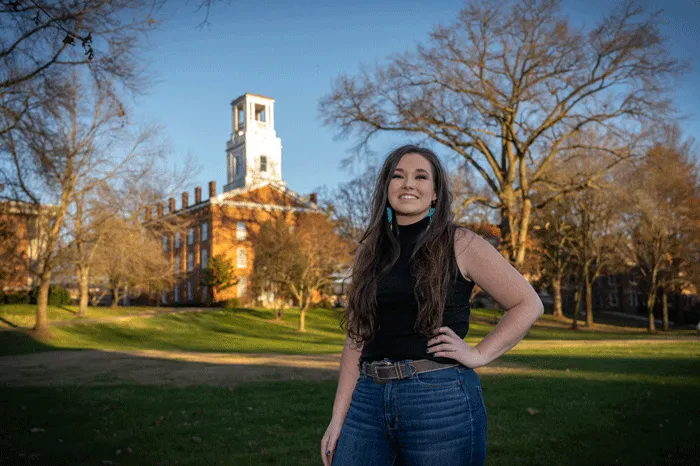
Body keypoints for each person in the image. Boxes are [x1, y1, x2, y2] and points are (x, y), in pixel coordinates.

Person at [321, 145, 544, 466]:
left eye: (420, 176)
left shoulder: (460, 242)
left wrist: (479, 354)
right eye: (398, 176)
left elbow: (527, 303)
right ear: (386, 187)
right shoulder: (369, 251)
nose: (408, 184)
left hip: (439, 399)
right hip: (367, 400)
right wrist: (337, 418)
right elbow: (356, 339)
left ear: (436, 193)